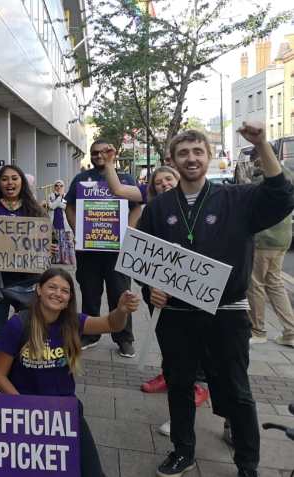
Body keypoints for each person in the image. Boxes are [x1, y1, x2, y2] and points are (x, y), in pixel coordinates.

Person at [137, 125, 294, 477]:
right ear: (172, 161)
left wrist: (261, 145)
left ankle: (248, 463)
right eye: (183, 153)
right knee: (178, 385)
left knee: (236, 390)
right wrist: (150, 289)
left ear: (209, 157)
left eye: (197, 152)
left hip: (225, 315)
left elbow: (282, 195)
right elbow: (143, 258)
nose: (191, 158)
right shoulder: (159, 207)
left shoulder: (238, 198)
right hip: (177, 316)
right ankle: (183, 450)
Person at [0, 268, 140, 477]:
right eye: (52, 287)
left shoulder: (73, 322)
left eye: (64, 290)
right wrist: (25, 407)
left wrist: (122, 310)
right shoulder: (17, 325)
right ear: (39, 290)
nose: (57, 293)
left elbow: (110, 324)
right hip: (26, 414)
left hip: (64, 414)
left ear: (69, 298)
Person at [102, 162, 209, 435]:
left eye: (169, 180)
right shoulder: (153, 210)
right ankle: (169, 374)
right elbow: (141, 252)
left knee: (192, 341)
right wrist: (150, 286)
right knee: (166, 335)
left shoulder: (197, 207)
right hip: (159, 292)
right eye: (159, 182)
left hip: (190, 292)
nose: (164, 185)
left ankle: (194, 385)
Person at [0, 164, 51, 368]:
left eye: (14, 178)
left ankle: (25, 373)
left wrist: (50, 247)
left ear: (22, 182)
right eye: (5, 179)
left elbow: (49, 238)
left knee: (31, 329)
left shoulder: (35, 209)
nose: (10, 183)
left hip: (29, 281)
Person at [65, 139, 139, 358]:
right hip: (88, 252)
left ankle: (124, 338)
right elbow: (69, 207)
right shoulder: (81, 179)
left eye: (103, 152)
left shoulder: (125, 179)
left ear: (112, 153)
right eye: (94, 153)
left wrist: (128, 232)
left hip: (118, 252)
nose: (98, 156)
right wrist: (79, 232)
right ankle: (91, 334)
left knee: (120, 294)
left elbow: (137, 209)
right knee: (89, 292)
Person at [243, 146, 294, 347]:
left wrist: (249, 178)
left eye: (255, 158)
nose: (254, 162)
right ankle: (290, 331)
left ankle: (258, 330)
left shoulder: (264, 176)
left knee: (255, 284)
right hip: (282, 238)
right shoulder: (287, 173)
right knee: (275, 284)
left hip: (264, 238)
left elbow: (252, 199)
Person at [47, 179, 75, 265]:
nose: (58, 187)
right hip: (53, 222)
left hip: (63, 223)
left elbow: (64, 206)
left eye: (61, 186)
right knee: (55, 241)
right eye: (56, 185)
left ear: (63, 187)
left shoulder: (66, 196)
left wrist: (57, 202)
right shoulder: (50, 196)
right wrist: (59, 198)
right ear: (54, 187)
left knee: (65, 242)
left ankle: (65, 259)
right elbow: (51, 206)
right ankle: (55, 259)